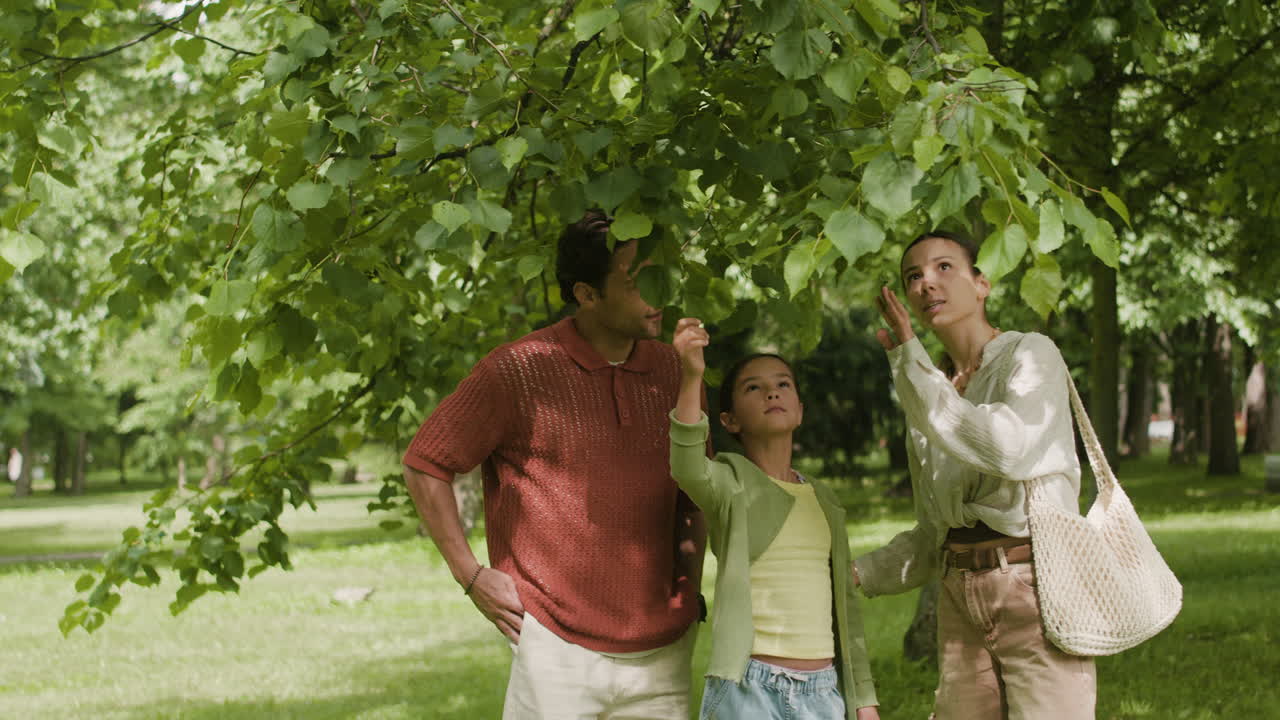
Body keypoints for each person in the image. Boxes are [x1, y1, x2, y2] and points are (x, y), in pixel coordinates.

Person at [402, 211, 705, 719]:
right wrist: (470, 575)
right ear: (586, 294)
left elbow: (696, 489)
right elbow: (425, 463)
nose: (654, 294)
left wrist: (689, 590)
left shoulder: (673, 367)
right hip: (555, 645)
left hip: (663, 647)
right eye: (635, 282)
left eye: (658, 275)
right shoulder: (519, 368)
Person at [854, 230, 1096, 719]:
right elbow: (933, 532)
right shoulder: (928, 392)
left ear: (981, 283)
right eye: (912, 276)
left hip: (1035, 593)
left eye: (944, 267)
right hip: (958, 595)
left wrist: (912, 365)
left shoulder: (1030, 355)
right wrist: (855, 573)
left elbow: (1008, 448)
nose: (926, 283)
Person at [669, 317, 880, 720]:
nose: (771, 392)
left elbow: (846, 610)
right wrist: (692, 375)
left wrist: (863, 698)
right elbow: (687, 465)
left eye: (783, 384)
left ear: (800, 409)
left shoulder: (825, 500)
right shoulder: (730, 481)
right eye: (754, 387)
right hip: (748, 687)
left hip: (823, 691)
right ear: (729, 420)